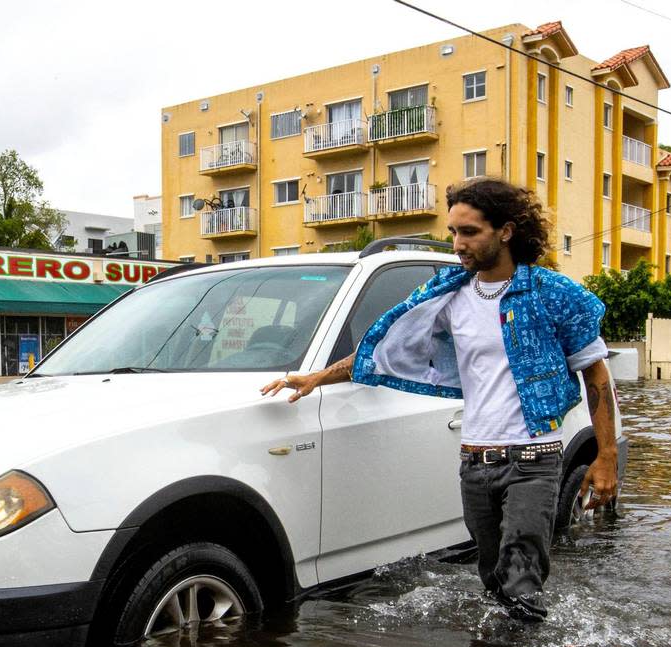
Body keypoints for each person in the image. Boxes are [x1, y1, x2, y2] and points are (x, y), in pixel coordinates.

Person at [261, 178, 618, 622]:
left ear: (505, 231)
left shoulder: (554, 294)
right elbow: (384, 347)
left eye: (469, 232)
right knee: (491, 579)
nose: (457, 244)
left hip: (534, 459)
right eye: (453, 232)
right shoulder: (450, 295)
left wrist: (606, 457)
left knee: (521, 582)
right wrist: (319, 376)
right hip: (474, 463)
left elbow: (596, 375)